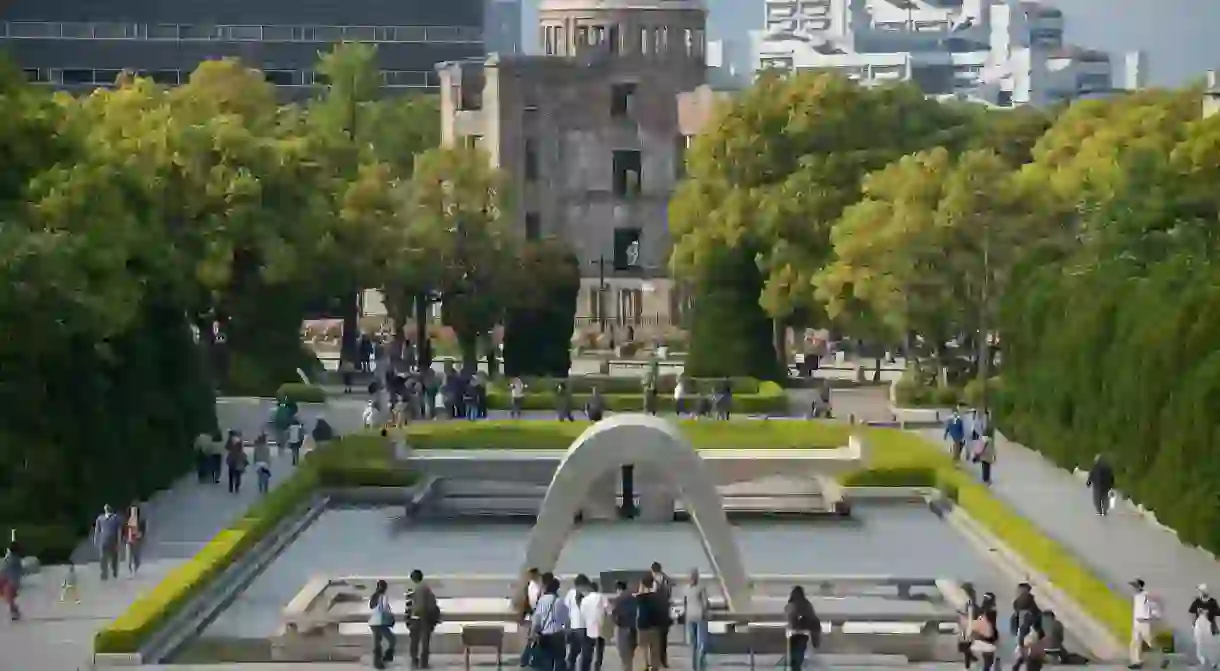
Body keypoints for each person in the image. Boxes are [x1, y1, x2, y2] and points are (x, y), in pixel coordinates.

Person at [532, 577, 570, 671]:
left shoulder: (542, 601)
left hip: (545, 635)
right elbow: (566, 620)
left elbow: (537, 619)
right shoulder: (560, 601)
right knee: (559, 662)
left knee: (545, 663)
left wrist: (533, 633)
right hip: (558, 635)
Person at [1129, 578, 1166, 669]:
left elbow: (1154, 607)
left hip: (1145, 622)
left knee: (1151, 642)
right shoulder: (1135, 596)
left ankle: (1163, 659)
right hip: (1136, 623)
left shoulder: (1146, 596)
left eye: (1135, 586)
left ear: (1140, 586)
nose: (1133, 588)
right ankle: (1136, 662)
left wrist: (1155, 617)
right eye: (1133, 586)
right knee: (1134, 643)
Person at [408, 569, 441, 669]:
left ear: (414, 578)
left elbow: (417, 605)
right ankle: (424, 663)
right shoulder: (426, 588)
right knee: (425, 642)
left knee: (415, 641)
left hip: (418, 618)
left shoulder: (416, 588)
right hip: (426, 618)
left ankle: (415, 661)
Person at [784, 586, 820, 671]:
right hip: (803, 635)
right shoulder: (806, 605)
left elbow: (790, 619)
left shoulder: (791, 605)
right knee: (798, 658)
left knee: (795, 659)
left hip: (795, 635)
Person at [635, 575, 665, 671]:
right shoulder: (658, 597)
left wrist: (641, 590)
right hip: (655, 627)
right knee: (654, 650)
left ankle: (645, 666)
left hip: (643, 627)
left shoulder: (639, 598)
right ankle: (654, 667)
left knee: (643, 648)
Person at [682, 569, 711, 671]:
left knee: (693, 643)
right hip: (699, 616)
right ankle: (701, 664)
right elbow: (705, 603)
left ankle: (694, 665)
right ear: (697, 577)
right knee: (701, 642)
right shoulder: (701, 588)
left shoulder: (685, 589)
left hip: (689, 616)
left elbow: (684, 604)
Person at [368, 579, 397, 670]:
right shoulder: (382, 596)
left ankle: (379, 661)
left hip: (374, 622)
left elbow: (372, 607)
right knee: (391, 640)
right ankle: (384, 658)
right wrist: (391, 617)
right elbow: (384, 609)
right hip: (379, 622)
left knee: (378, 642)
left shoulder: (375, 596)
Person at [580, 581, 608, 671]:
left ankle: (586, 668)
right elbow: (609, 610)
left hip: (589, 628)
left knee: (588, 651)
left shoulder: (585, 599)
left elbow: (582, 614)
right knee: (599, 650)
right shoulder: (602, 597)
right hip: (601, 627)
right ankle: (597, 667)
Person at [565, 575, 591, 671]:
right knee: (574, 652)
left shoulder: (589, 595)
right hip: (575, 628)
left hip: (587, 628)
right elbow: (566, 611)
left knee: (586, 654)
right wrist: (566, 627)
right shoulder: (571, 594)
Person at [611, 580, 638, 671]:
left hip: (622, 629)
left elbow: (614, 616)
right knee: (630, 655)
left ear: (618, 589)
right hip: (634, 629)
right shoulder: (634, 599)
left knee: (624, 656)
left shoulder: (618, 600)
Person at [649, 562, 673, 667]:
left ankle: (655, 661)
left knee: (654, 639)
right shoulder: (666, 580)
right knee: (663, 639)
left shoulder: (653, 582)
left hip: (655, 614)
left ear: (653, 571)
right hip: (665, 613)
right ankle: (663, 661)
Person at [1191, 584, 1220, 668]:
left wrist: (1208, 612)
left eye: (1201, 591)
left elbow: (1218, 612)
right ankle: (1202, 659)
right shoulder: (1197, 601)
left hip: (1209, 625)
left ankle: (1212, 661)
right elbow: (1192, 612)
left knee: (1210, 643)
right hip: (1199, 625)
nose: (1200, 593)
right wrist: (1193, 624)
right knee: (1199, 643)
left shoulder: (1212, 602)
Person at [971, 592, 1001, 671]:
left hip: (979, 639)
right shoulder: (992, 611)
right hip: (987, 640)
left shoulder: (980, 611)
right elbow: (992, 626)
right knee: (988, 662)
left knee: (986, 662)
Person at [94, 504, 122, 581]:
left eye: (108, 507)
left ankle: (114, 574)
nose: (107, 508)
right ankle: (104, 574)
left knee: (114, 559)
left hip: (114, 542)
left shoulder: (116, 518)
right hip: (104, 542)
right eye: (106, 508)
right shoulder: (100, 518)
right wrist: (96, 540)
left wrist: (119, 543)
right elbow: (97, 530)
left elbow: (119, 531)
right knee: (103, 559)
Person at [958, 583, 980, 669]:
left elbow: (970, 613)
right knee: (965, 646)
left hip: (969, 624)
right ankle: (969, 662)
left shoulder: (969, 600)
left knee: (965, 646)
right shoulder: (969, 599)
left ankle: (969, 664)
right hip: (967, 624)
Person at [124, 501, 147, 575]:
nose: (133, 512)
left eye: (135, 511)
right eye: (132, 511)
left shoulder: (141, 521)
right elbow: (123, 530)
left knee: (137, 557)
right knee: (128, 557)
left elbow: (143, 530)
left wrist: (141, 535)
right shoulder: (127, 520)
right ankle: (130, 570)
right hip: (128, 540)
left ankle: (136, 568)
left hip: (137, 541)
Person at [0, 544, 22, 620]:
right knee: (9, 598)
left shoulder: (13, 559)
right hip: (11, 580)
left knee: (9, 597)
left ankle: (15, 612)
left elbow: (6, 569)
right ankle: (14, 611)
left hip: (11, 580)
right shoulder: (13, 558)